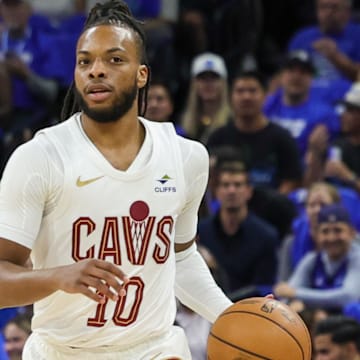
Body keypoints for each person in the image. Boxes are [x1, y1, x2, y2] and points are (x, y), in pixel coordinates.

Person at [0, 1, 234, 359]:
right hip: (66, 351)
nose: (96, 71)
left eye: (114, 59)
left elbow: (180, 258)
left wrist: (232, 317)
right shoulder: (39, 157)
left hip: (155, 349)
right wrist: (58, 277)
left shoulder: (187, 157)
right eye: (85, 61)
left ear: (142, 74)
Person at [207, 70, 303, 194]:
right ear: (231, 97)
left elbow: (292, 181)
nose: (246, 97)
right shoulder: (218, 138)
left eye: (253, 91)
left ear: (265, 96)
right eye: (240, 91)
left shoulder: (282, 138)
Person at [198, 160, 280, 297]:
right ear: (216, 191)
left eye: (237, 185)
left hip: (249, 310)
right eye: (225, 185)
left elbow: (263, 288)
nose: (231, 190)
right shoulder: (201, 232)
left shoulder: (266, 236)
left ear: (249, 191)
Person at [274, 204, 360, 314]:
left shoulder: (357, 258)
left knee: (352, 310)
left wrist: (298, 294)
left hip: (352, 325)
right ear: (317, 235)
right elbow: (285, 294)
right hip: (324, 322)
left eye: (338, 230)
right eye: (325, 231)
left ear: (352, 233)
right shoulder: (312, 260)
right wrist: (293, 302)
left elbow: (349, 296)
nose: (331, 238)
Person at [264, 50, 339, 161]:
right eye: (291, 70)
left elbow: (324, 158)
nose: (296, 77)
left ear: (312, 78)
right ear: (281, 76)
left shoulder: (325, 115)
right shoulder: (267, 105)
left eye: (303, 72)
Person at [288, 0, 360, 104]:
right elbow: (284, 74)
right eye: (323, 7)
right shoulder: (302, 37)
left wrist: (336, 57)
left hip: (346, 101)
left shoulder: (357, 35)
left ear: (347, 11)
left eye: (334, 7)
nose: (329, 12)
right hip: (304, 99)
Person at [278, 181, 341, 281]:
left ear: (337, 208)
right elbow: (283, 283)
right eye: (312, 205)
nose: (317, 210)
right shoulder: (291, 242)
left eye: (323, 205)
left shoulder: (349, 242)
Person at [180, 52, 231, 144]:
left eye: (214, 78)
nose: (208, 84)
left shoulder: (232, 121)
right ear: (194, 84)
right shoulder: (184, 124)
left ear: (223, 83)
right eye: (202, 78)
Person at [324, 82, 360, 194]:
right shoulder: (337, 145)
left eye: (350, 110)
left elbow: (346, 176)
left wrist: (348, 176)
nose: (343, 115)